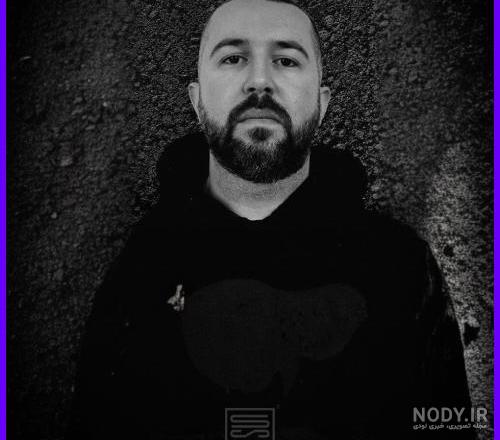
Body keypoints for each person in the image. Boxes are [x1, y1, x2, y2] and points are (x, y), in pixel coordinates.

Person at [67, 0, 476, 439]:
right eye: (233, 58)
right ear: (197, 100)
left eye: (286, 60)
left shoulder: (399, 266)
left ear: (321, 104)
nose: (259, 80)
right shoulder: (143, 269)